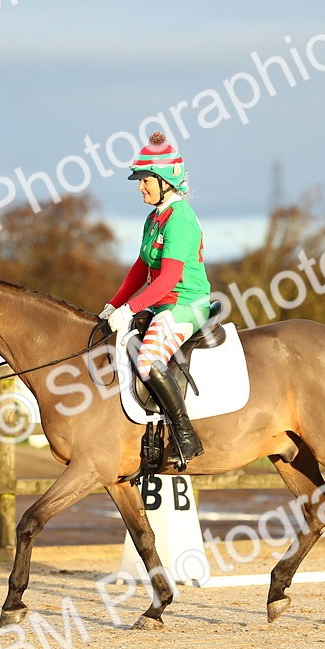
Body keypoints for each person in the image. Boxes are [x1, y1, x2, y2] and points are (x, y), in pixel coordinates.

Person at [99, 131, 211, 469]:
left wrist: (130, 308)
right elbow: (140, 267)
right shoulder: (155, 218)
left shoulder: (180, 219)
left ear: (164, 182)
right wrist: (114, 304)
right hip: (163, 302)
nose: (139, 187)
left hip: (185, 303)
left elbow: (167, 279)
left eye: (145, 180)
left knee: (147, 362)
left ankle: (186, 435)